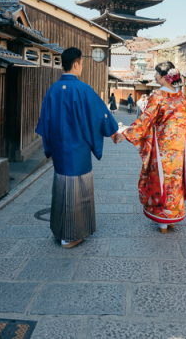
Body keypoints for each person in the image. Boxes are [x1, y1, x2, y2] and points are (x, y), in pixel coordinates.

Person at [36, 48, 119, 248]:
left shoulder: (53, 90)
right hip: (78, 151)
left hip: (60, 151)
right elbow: (100, 115)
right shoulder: (83, 89)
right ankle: (71, 236)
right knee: (77, 192)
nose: (82, 67)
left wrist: (51, 146)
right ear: (76, 64)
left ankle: (60, 231)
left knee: (62, 189)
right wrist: (113, 132)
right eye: (81, 63)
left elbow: (45, 122)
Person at [114, 61, 186, 233]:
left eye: (156, 73)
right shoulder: (182, 97)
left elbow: (146, 119)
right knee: (176, 181)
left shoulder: (158, 96)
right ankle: (173, 218)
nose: (154, 76)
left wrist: (125, 133)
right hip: (179, 148)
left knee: (162, 180)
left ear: (164, 76)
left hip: (163, 148)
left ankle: (163, 221)